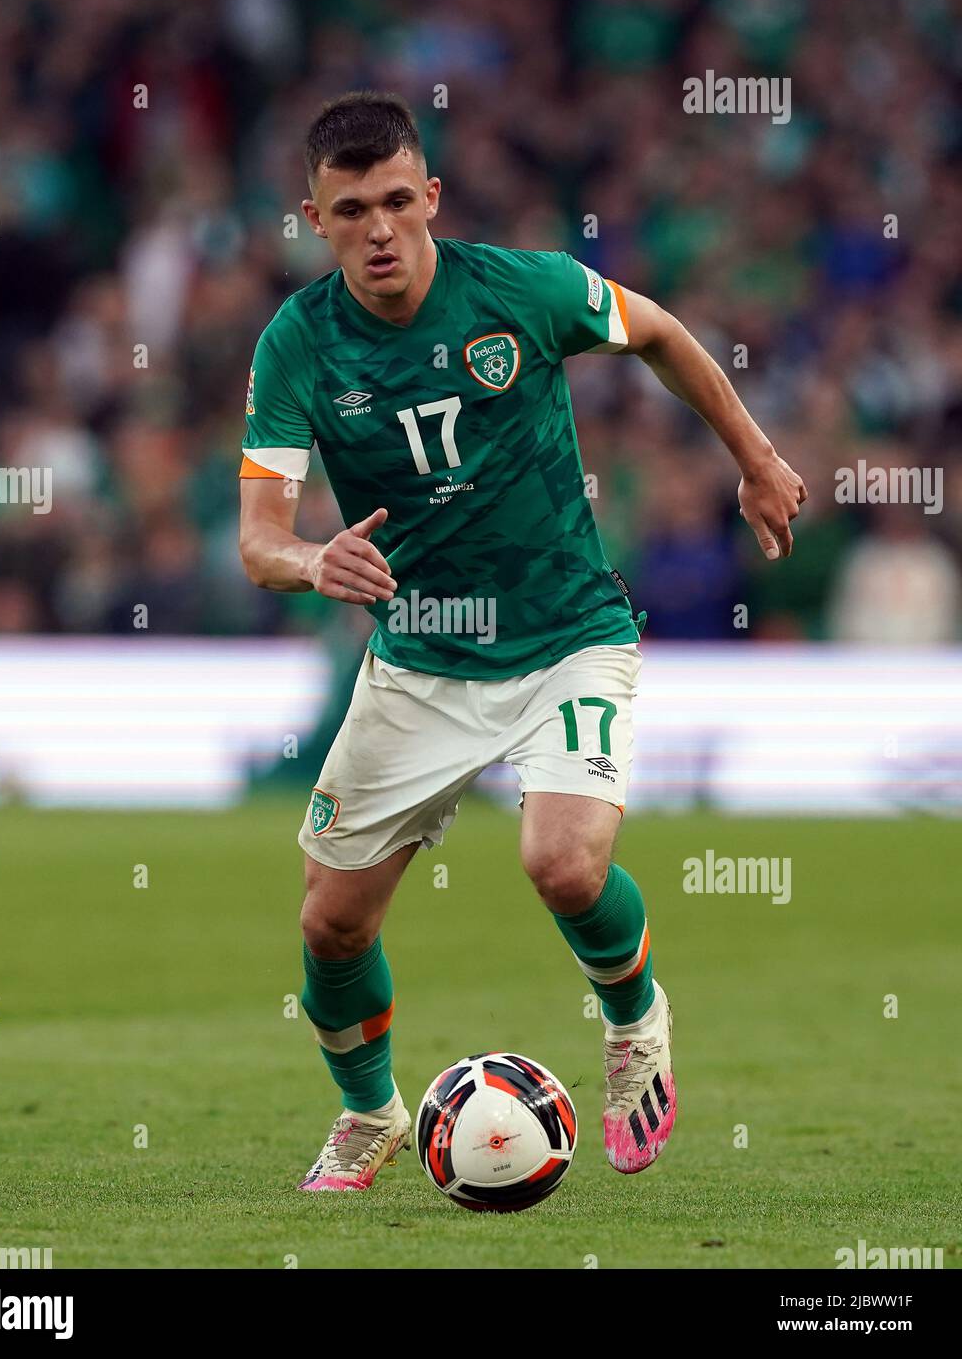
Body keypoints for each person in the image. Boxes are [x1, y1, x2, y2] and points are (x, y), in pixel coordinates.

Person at [238, 91, 807, 1191]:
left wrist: (753, 456)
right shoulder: (297, 344)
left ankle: (634, 1017)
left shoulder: (524, 290)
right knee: (330, 925)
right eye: (351, 210)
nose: (380, 230)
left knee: (559, 860)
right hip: (416, 661)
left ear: (432, 198)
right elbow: (260, 537)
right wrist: (314, 561)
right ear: (315, 219)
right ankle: (368, 1115)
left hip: (564, 638)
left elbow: (657, 333)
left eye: (398, 201)